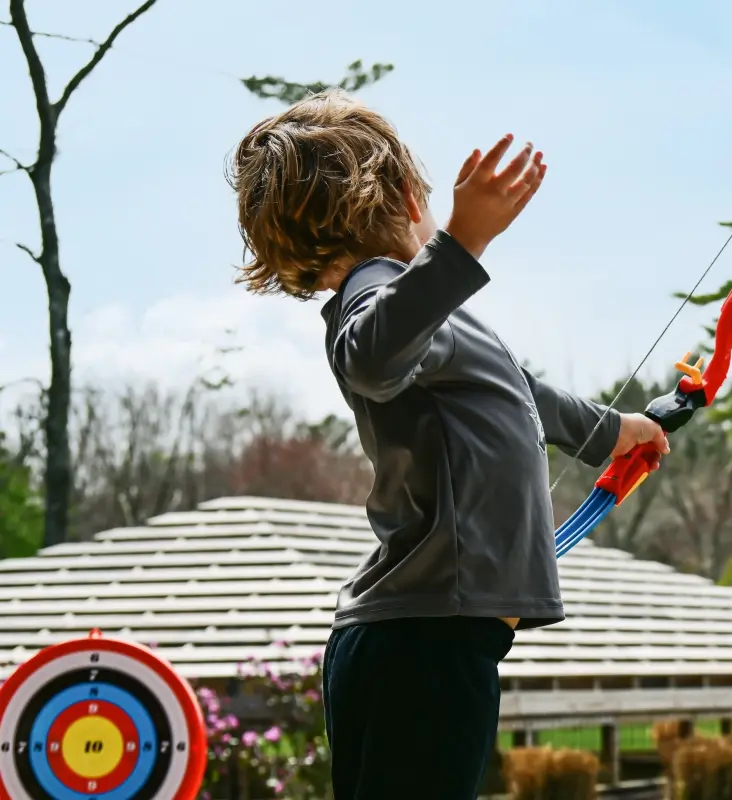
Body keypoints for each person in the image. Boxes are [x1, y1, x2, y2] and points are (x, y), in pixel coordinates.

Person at [227, 90, 668, 799]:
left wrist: (617, 434)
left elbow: (524, 393)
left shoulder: (421, 315)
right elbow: (370, 354)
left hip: (423, 640)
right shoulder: (378, 293)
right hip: (423, 643)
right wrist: (461, 243)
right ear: (406, 198)